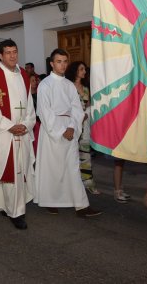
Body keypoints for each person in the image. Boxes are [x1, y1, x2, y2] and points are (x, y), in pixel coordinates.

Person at [34, 48, 102, 217]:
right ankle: (50, 201)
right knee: (53, 168)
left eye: (65, 61)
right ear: (52, 63)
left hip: (70, 129)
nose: (62, 65)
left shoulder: (69, 85)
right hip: (53, 131)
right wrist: (61, 130)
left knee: (72, 167)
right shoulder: (45, 84)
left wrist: (72, 127)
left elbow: (77, 109)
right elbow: (44, 111)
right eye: (59, 61)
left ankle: (81, 205)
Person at [0, 39, 36, 230]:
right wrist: (10, 126)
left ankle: (9, 206)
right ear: (1, 56)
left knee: (19, 171)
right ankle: (15, 212)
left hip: (21, 132)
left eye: (15, 51)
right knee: (7, 171)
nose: (12, 56)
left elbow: (29, 105)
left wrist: (26, 124)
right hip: (2, 133)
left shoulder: (24, 76)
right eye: (8, 52)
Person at [65, 61, 99, 195]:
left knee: (85, 154)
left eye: (84, 69)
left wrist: (86, 113)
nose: (84, 72)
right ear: (75, 71)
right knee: (71, 155)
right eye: (82, 69)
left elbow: (89, 105)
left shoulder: (85, 88)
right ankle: (72, 184)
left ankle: (88, 182)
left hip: (84, 125)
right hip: (72, 125)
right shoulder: (68, 87)